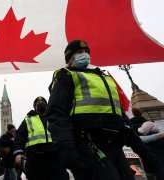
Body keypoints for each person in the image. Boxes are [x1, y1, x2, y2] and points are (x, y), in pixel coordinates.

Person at [46, 40, 155, 180]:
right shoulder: (66, 75)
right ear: (70, 58)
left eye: (86, 52)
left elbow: (121, 118)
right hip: (89, 144)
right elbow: (57, 114)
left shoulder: (104, 78)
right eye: (79, 52)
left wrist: (145, 153)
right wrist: (66, 147)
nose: (84, 55)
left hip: (115, 146)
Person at [13, 96, 69, 180]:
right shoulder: (28, 119)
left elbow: (63, 133)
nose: (40, 104)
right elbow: (19, 137)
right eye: (38, 103)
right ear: (34, 107)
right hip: (35, 160)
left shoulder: (53, 117)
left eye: (43, 103)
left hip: (55, 158)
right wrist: (18, 153)